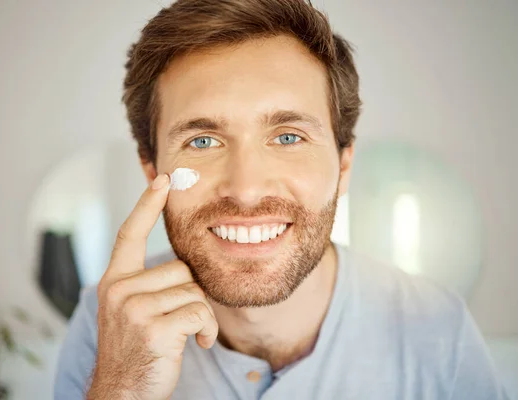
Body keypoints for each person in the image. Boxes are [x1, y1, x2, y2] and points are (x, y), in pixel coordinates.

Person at [54, 1, 509, 399]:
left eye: (288, 136)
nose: (247, 189)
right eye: (203, 141)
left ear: (344, 165)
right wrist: (123, 390)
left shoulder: (438, 328)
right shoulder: (107, 322)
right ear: (151, 171)